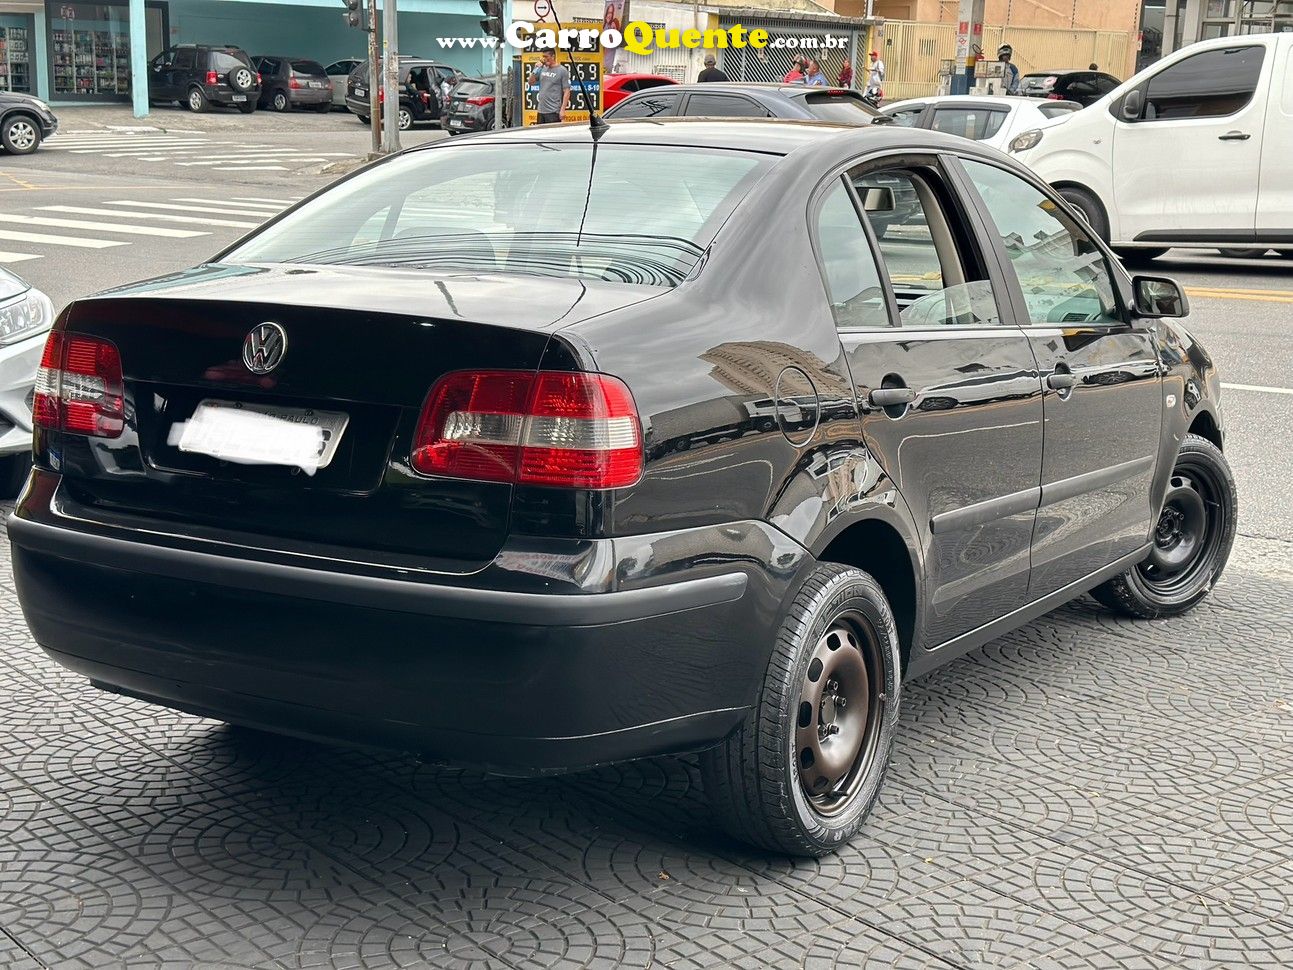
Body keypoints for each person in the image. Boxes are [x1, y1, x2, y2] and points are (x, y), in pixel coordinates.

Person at [528, 50, 571, 124]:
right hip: (541, 110)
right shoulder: (542, 68)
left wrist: (562, 110)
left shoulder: (562, 70)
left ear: (553, 56)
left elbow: (567, 91)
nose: (544, 59)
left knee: (552, 134)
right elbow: (531, 82)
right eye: (543, 56)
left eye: (546, 57)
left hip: (553, 111)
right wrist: (535, 69)